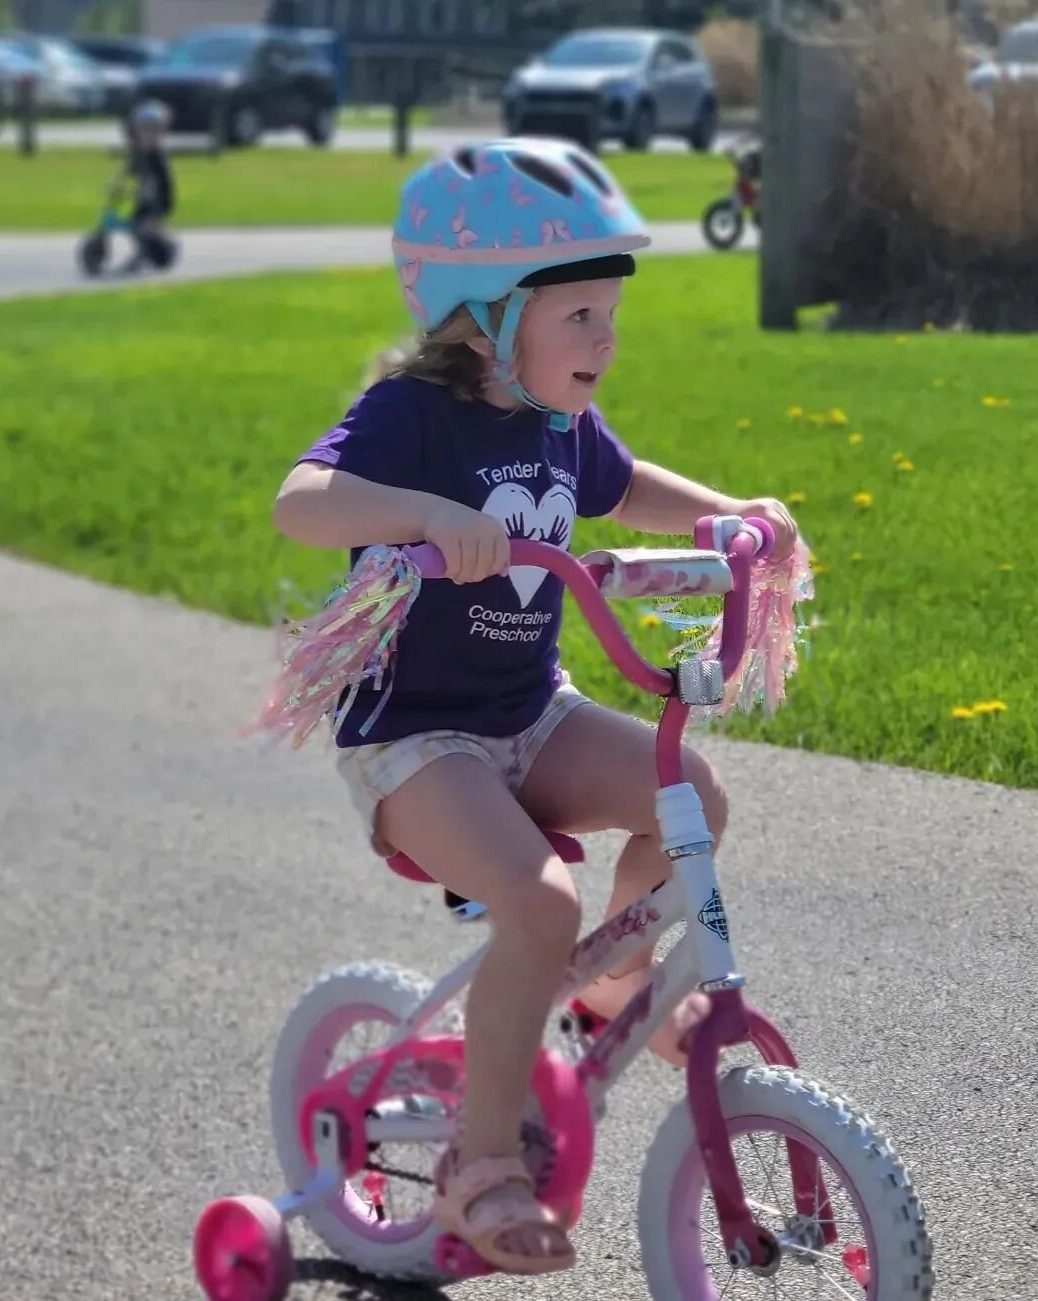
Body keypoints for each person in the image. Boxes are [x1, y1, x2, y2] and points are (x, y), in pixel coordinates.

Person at [271, 138, 799, 1277]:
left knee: (689, 793)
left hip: (527, 711)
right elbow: (300, 500)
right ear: (483, 316)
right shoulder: (411, 413)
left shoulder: (557, 423)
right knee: (534, 896)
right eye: (580, 318)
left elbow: (624, 480)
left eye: (608, 315)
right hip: (411, 739)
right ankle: (477, 1171)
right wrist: (419, 514)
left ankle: (611, 984)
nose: (604, 342)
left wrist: (726, 514)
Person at [117, 99, 175, 272]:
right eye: (144, 130)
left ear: (160, 133)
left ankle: (146, 254)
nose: (148, 135)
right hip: (143, 198)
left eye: (153, 131)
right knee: (133, 225)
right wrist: (118, 184)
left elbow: (161, 181)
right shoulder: (137, 153)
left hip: (159, 199)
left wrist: (147, 189)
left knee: (145, 227)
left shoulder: (157, 156)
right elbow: (127, 171)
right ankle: (146, 250)